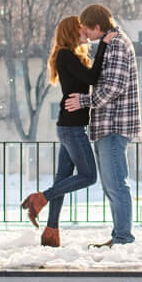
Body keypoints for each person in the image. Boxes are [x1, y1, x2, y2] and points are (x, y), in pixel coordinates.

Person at [21, 16, 106, 247]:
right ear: (70, 31)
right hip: (72, 128)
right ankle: (41, 198)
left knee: (63, 179)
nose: (84, 32)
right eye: (80, 28)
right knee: (89, 176)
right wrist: (104, 46)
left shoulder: (69, 55)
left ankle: (51, 232)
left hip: (69, 126)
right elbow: (92, 77)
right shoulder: (66, 55)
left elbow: (87, 78)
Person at [64, 4, 140, 247]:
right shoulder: (111, 42)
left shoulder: (117, 44)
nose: (84, 33)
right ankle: (119, 235)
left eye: (87, 28)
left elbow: (114, 87)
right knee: (111, 185)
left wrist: (84, 101)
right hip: (107, 125)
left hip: (114, 124)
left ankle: (123, 238)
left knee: (116, 184)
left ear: (98, 26)